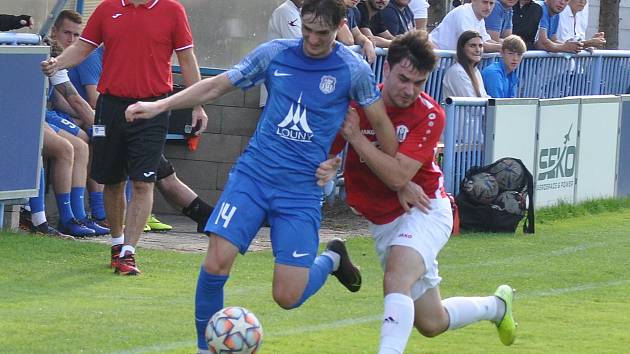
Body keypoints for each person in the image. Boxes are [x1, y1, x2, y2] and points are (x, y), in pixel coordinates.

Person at [124, 1, 398, 351]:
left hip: (300, 191)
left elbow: (380, 131)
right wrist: (159, 105)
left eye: (323, 33)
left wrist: (343, 162)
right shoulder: (275, 54)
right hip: (253, 178)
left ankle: (331, 260)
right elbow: (217, 85)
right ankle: (204, 347)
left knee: (287, 296)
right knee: (216, 259)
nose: (312, 40)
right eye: (307, 29)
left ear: (341, 26)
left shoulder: (352, 69)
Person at [327, 30, 517, 353]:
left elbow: (400, 174)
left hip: (426, 209)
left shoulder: (430, 114)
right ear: (386, 70)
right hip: (385, 222)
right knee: (431, 322)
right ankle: (497, 307)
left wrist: (358, 140)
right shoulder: (358, 105)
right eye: (403, 79)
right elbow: (328, 153)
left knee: (396, 275)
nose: (409, 90)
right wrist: (326, 167)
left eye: (419, 83)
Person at [41, 0, 209, 276]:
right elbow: (83, 46)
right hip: (111, 107)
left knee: (144, 183)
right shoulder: (107, 9)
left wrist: (198, 104)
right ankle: (117, 244)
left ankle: (129, 252)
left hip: (153, 107)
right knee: (113, 180)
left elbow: (187, 57)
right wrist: (57, 62)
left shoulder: (172, 10)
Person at [429, 0, 502, 52]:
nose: (488, 7)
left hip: (445, 63)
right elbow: (473, 44)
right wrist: (503, 48)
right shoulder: (463, 13)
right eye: (485, 2)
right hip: (435, 64)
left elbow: (486, 40)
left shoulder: (479, 18)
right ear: (473, 1)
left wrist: (505, 45)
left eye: (491, 3)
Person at [443, 31, 490, 98]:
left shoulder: (475, 70)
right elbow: (471, 104)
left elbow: (484, 97)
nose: (478, 50)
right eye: (472, 46)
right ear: (462, 49)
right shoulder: (458, 72)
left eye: (480, 46)